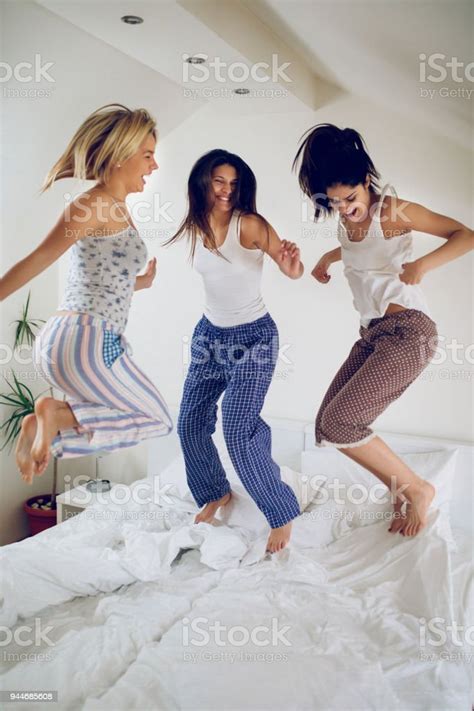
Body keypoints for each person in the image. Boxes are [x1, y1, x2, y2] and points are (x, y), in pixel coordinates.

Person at [293, 123, 473, 537]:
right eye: (335, 202)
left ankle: (416, 489)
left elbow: (465, 235)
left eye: (351, 198)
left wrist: (423, 265)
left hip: (409, 332)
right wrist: (329, 256)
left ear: (367, 182)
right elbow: (361, 244)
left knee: (343, 424)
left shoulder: (393, 211)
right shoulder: (346, 221)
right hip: (373, 334)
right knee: (327, 425)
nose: (345, 209)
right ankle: (401, 488)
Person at [0, 104, 172, 484]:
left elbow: (103, 282)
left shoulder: (115, 209)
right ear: (119, 155)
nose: (153, 166)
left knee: (139, 416)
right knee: (158, 419)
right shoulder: (92, 204)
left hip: (66, 340)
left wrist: (142, 283)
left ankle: (46, 424)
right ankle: (54, 415)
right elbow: (40, 258)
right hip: (89, 340)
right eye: (147, 156)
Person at [167, 149, 304, 553]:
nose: (227, 190)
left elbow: (289, 267)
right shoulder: (195, 223)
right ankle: (215, 491)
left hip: (254, 339)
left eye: (233, 182)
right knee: (190, 422)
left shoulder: (250, 224)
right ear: (203, 183)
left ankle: (281, 510)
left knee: (238, 428)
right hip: (209, 335)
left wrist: (293, 263)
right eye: (218, 181)